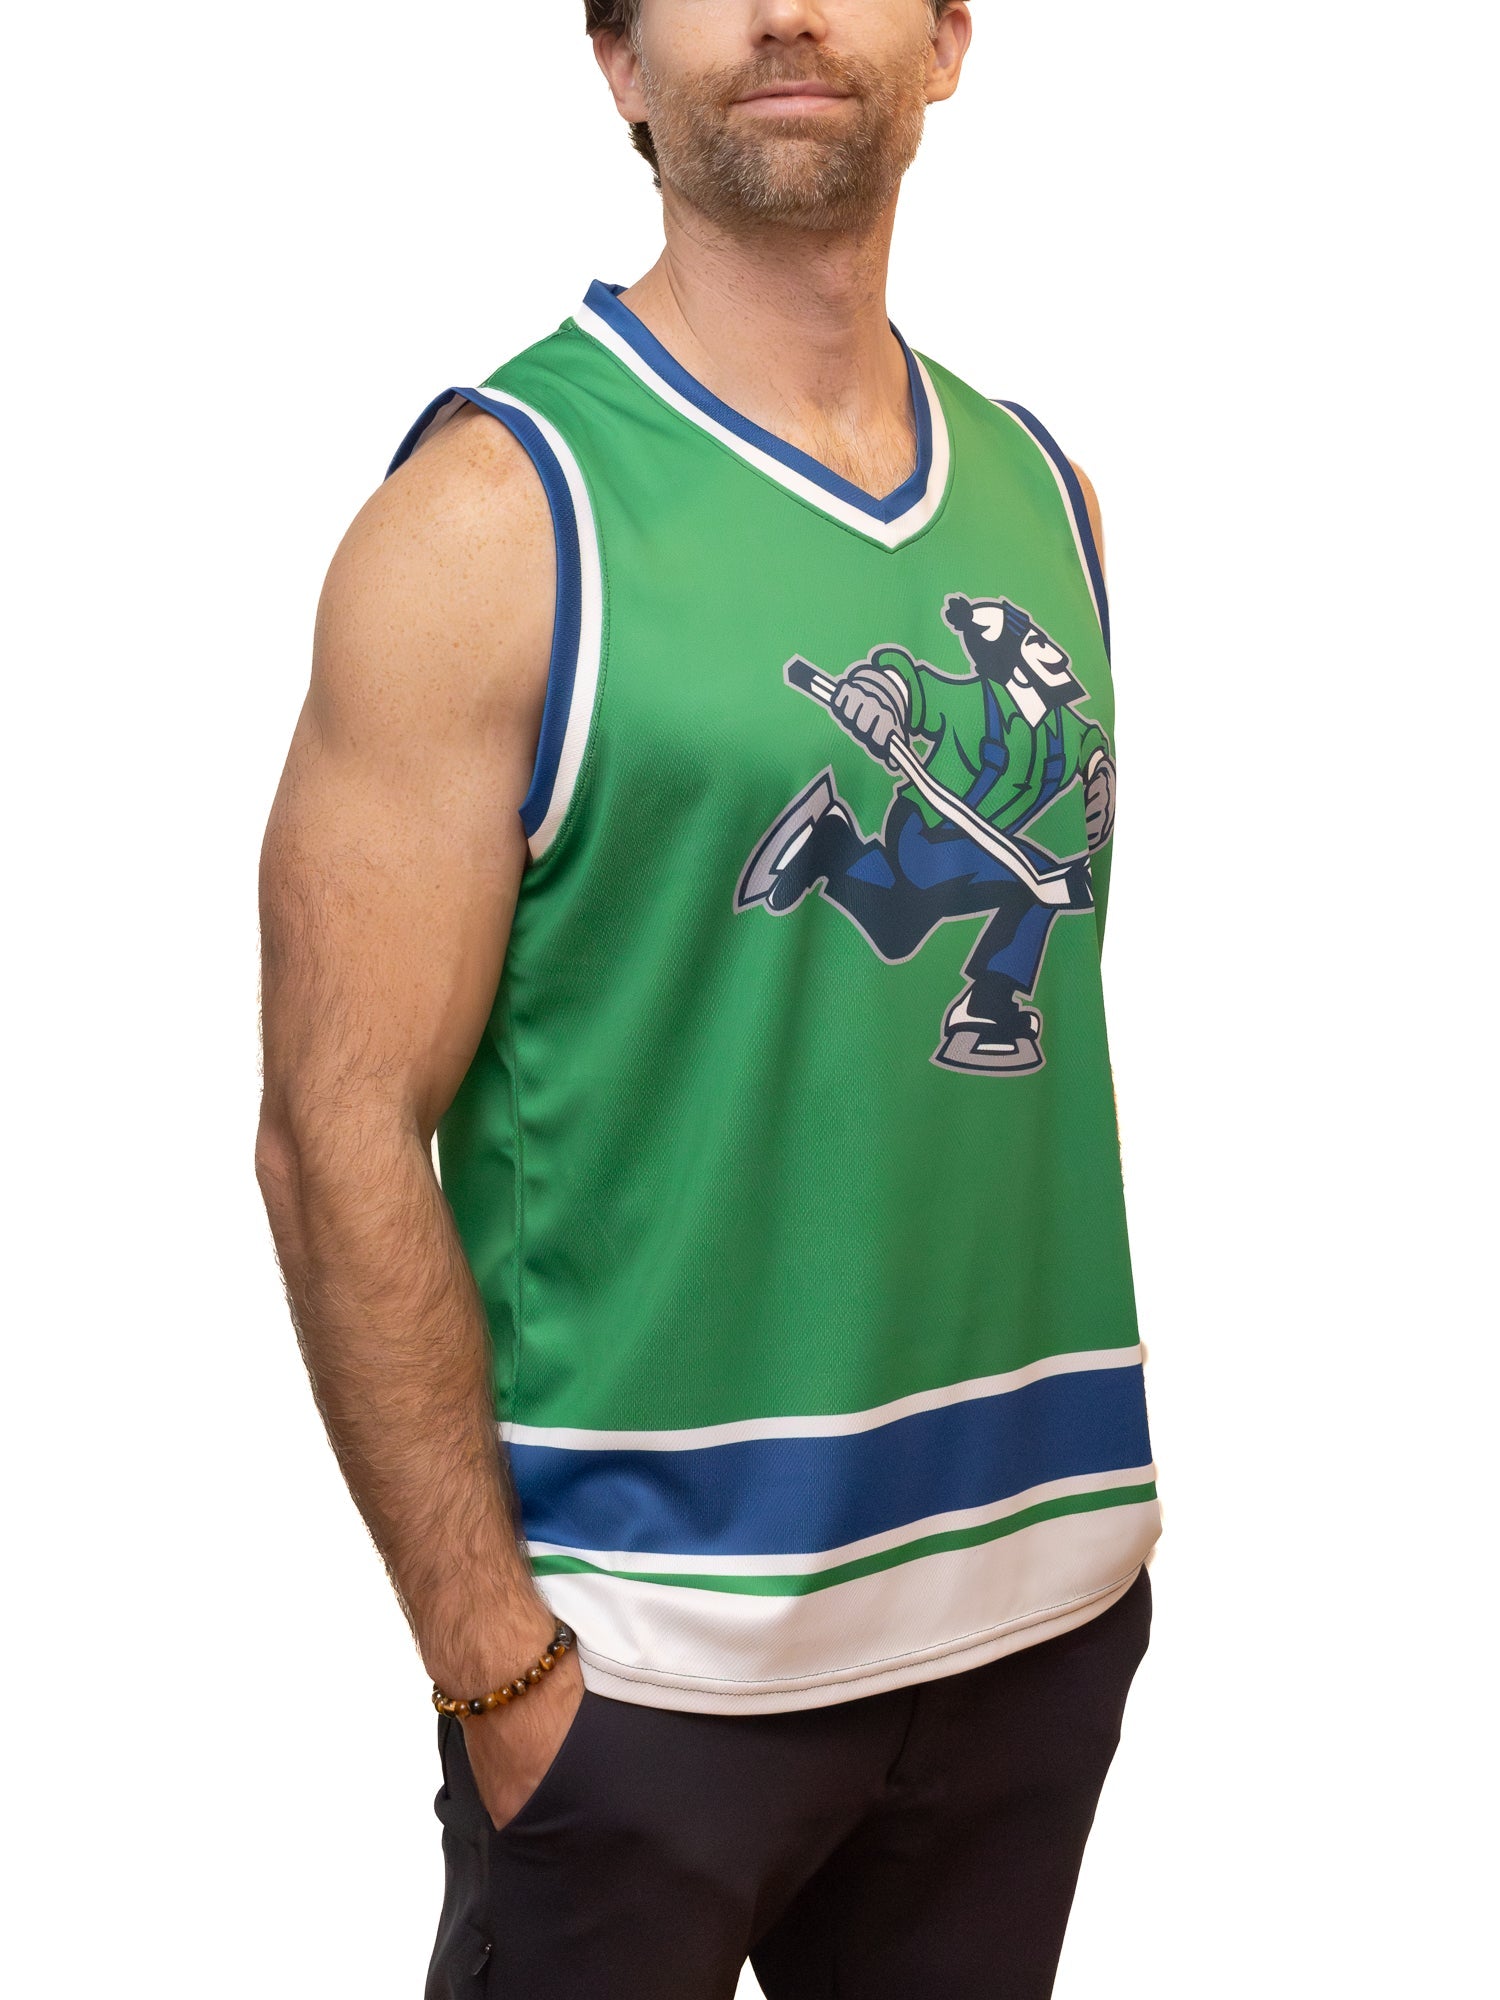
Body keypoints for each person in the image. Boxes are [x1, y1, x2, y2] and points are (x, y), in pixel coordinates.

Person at [255, 4, 1162, 1994]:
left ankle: (845, 858)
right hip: (649, 1676)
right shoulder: (499, 519)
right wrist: (499, 1669)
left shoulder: (1049, 499)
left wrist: (1096, 1575)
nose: (782, 11)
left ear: (949, 38)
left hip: (1038, 1622)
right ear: (617, 62)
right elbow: (334, 1131)